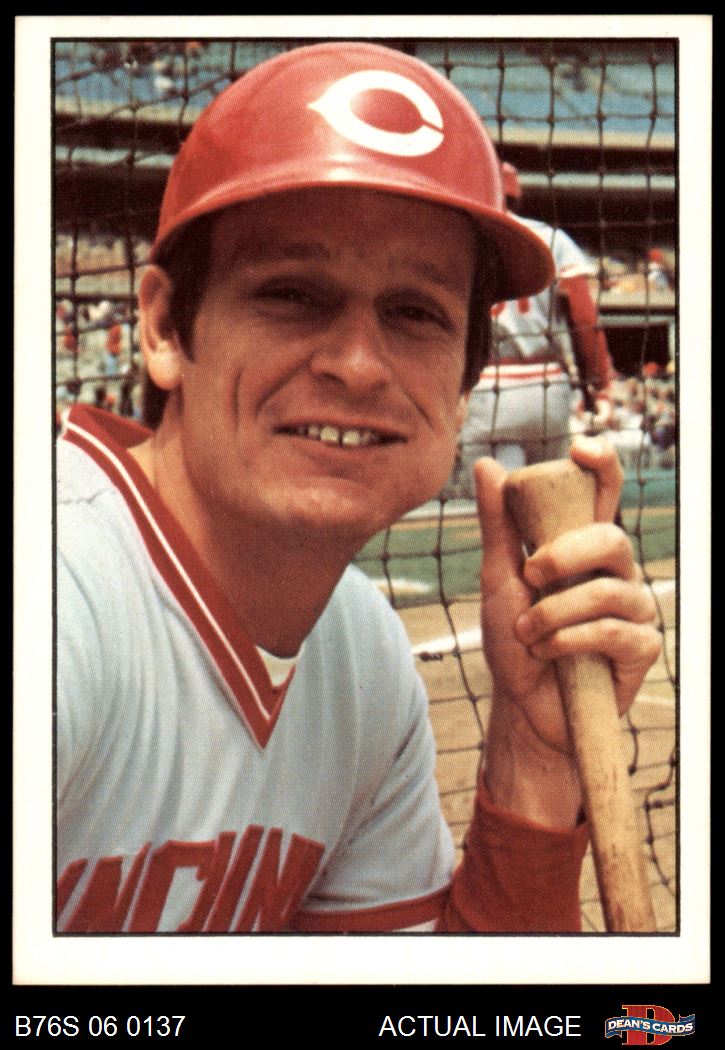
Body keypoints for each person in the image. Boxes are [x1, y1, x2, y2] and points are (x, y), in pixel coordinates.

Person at [56, 42, 661, 934]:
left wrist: (533, 765)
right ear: (163, 329)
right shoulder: (58, 598)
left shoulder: (361, 659)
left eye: (414, 312)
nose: (357, 364)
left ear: (464, 386)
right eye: (292, 294)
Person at [455, 161, 615, 488]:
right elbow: (584, 319)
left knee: (497, 504)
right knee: (550, 501)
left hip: (487, 388)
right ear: (517, 194)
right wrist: (600, 386)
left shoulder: (463, 238)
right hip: (546, 389)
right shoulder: (551, 238)